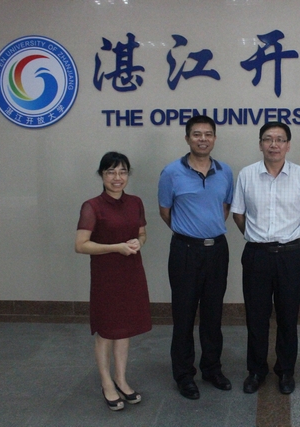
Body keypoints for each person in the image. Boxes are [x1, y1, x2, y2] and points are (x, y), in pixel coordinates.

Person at [231, 121, 300, 395]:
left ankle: (285, 370)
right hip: (256, 255)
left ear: (288, 145)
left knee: (288, 317)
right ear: (260, 144)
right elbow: (238, 214)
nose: (274, 144)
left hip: (290, 256)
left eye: (280, 139)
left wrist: (292, 236)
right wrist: (256, 237)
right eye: (268, 139)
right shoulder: (247, 174)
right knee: (256, 317)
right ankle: (256, 370)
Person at [158, 115, 234, 400]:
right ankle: (184, 374)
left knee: (213, 314)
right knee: (184, 314)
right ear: (187, 138)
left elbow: (225, 207)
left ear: (214, 138)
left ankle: (212, 369)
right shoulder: (171, 172)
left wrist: (207, 230)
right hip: (185, 251)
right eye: (197, 134)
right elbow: (165, 211)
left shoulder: (225, 171)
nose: (203, 139)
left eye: (208, 134)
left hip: (217, 250)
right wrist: (189, 233)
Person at [75, 151, 152, 411]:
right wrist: (115, 247)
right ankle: (106, 382)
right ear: (101, 175)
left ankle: (121, 378)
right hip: (106, 276)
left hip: (131, 273)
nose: (117, 177)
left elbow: (142, 234)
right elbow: (80, 245)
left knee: (125, 329)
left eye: (122, 172)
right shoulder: (92, 206)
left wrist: (137, 242)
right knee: (107, 331)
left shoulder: (135, 202)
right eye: (111, 172)